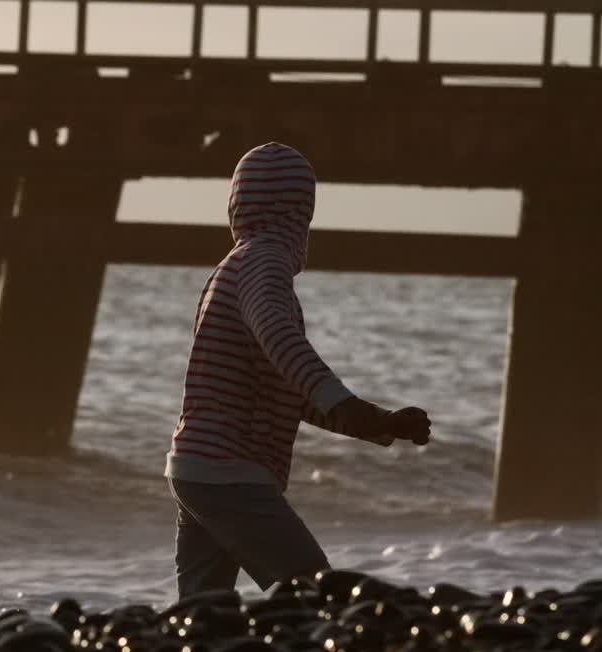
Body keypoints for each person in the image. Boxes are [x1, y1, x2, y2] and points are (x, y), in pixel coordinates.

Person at [166, 141, 431, 597]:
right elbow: (282, 343)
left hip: (195, 468)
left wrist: (375, 423)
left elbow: (281, 385)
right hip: (231, 472)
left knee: (202, 612)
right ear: (300, 214)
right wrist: (347, 405)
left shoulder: (233, 268)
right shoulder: (263, 266)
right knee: (314, 591)